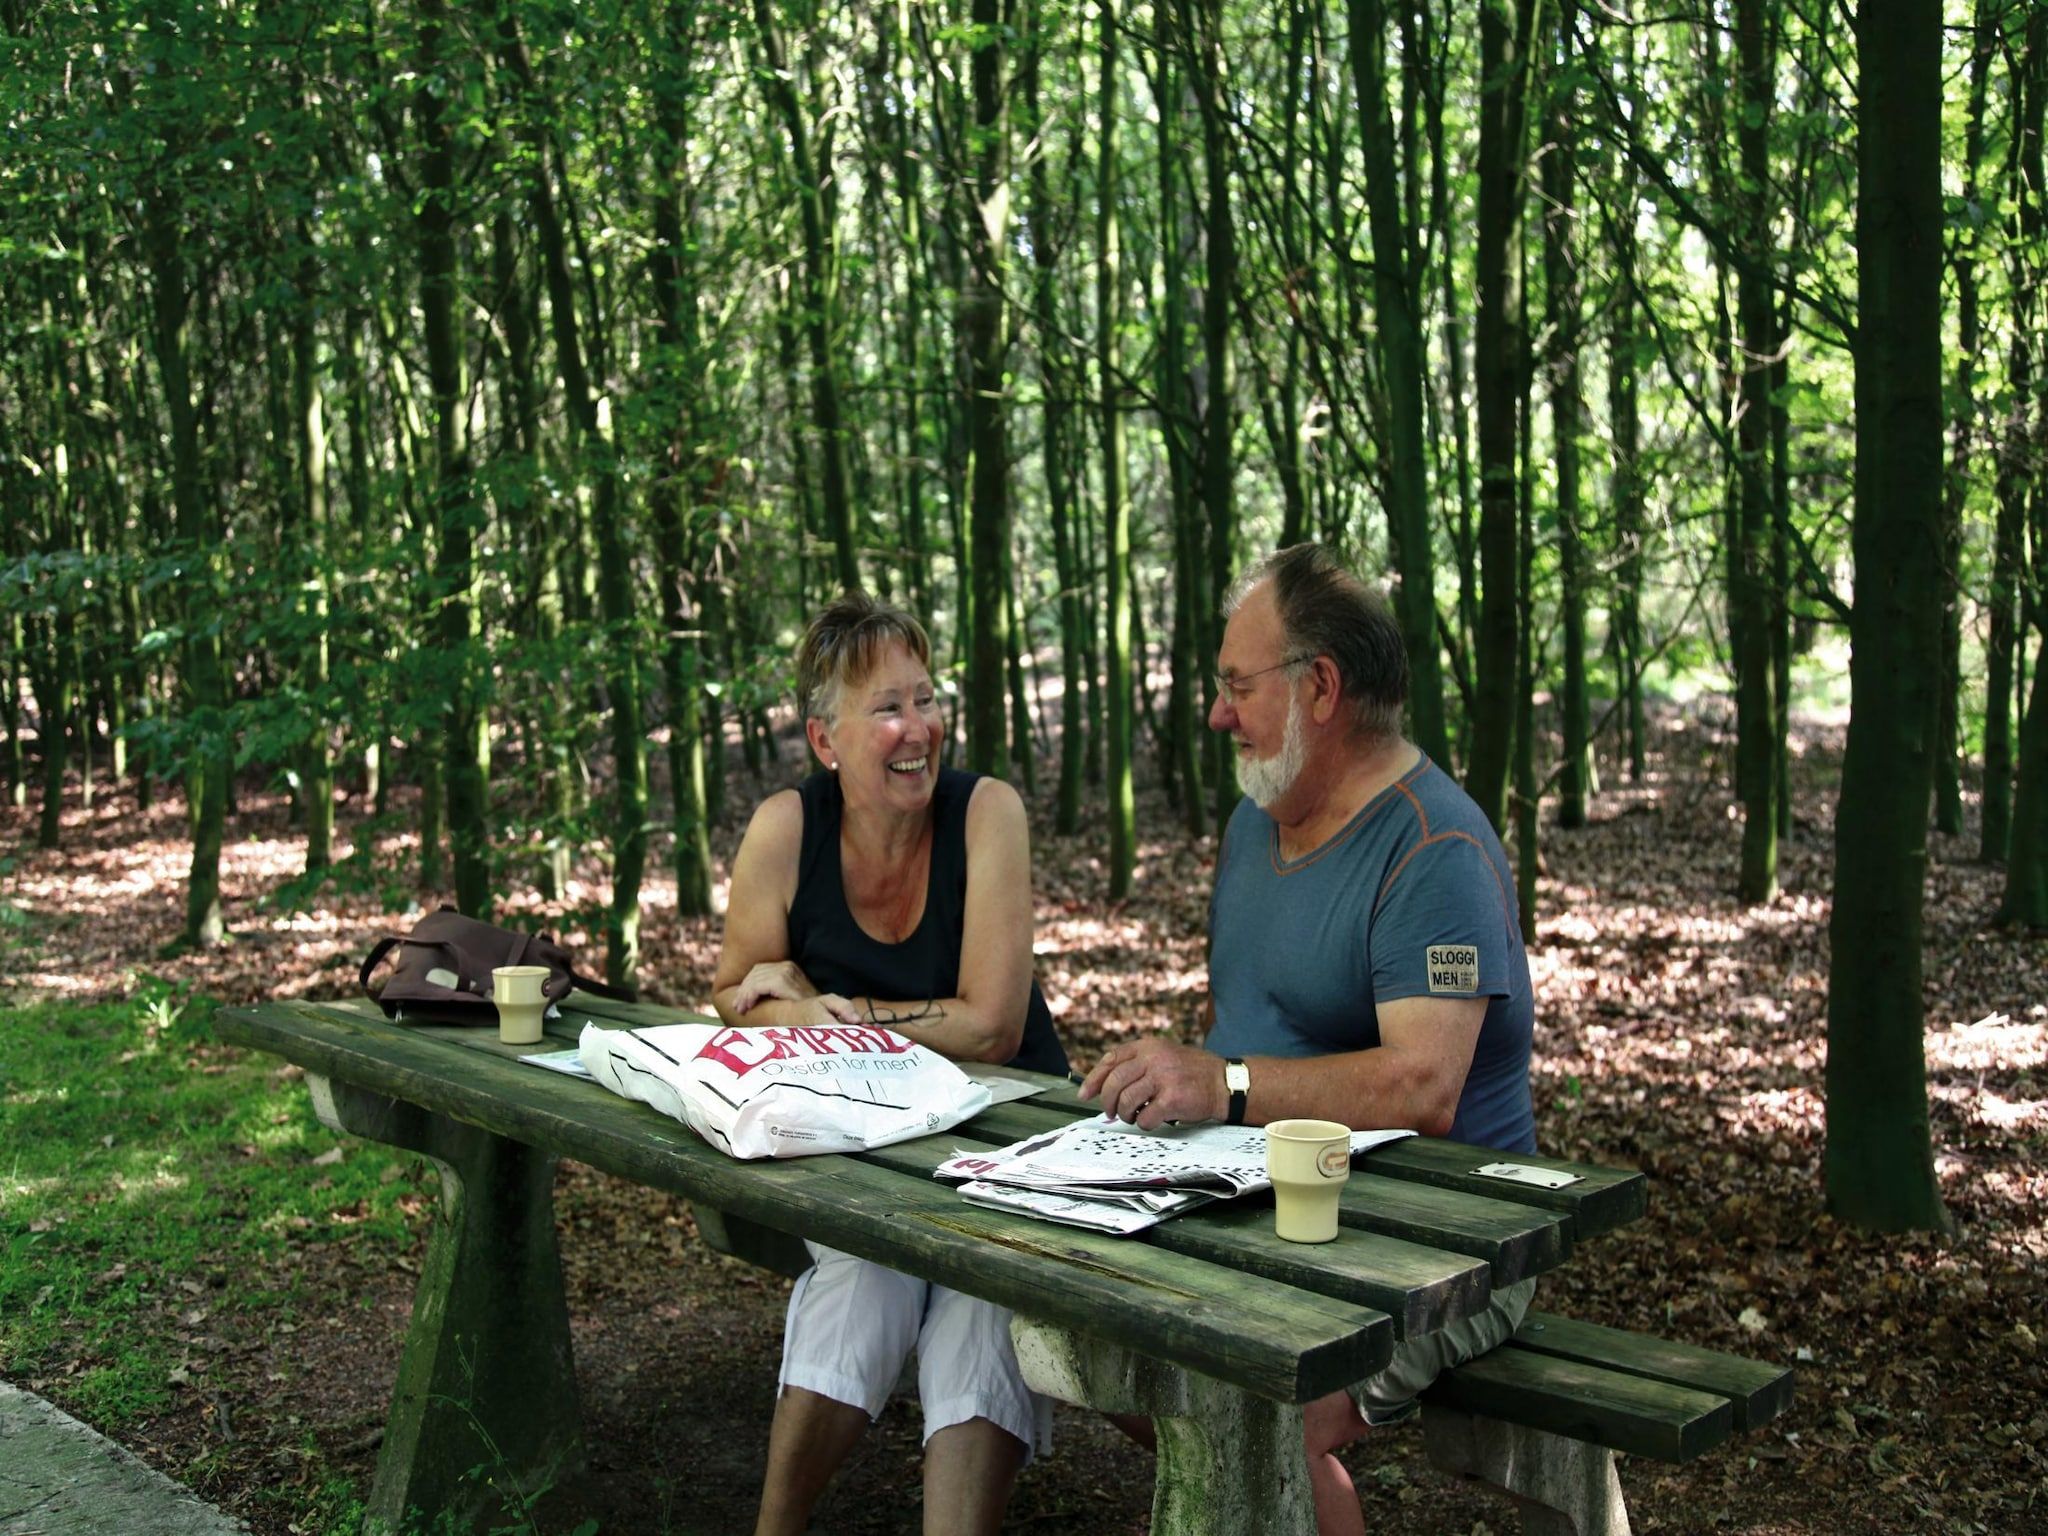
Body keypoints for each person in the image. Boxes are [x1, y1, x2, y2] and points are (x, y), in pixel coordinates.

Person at [1078, 542, 1537, 1536]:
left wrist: (1223, 1082)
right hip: (1261, 1204)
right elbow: (1247, 1033)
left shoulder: (1434, 849)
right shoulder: (1256, 824)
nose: (1215, 713)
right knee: (1076, 1324)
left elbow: (1424, 1090)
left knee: (1250, 1414)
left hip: (1440, 1245)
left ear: (1319, 686)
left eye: (1235, 685)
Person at [712, 591, 1068, 1536]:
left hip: (1010, 1144)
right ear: (827, 742)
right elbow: (735, 997)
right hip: (864, 1148)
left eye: (926, 699)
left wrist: (837, 1015)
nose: (919, 729)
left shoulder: (987, 812)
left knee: (983, 1299)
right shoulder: (786, 829)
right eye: (888, 709)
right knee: (862, 1277)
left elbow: (992, 1026)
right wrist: (784, 1004)